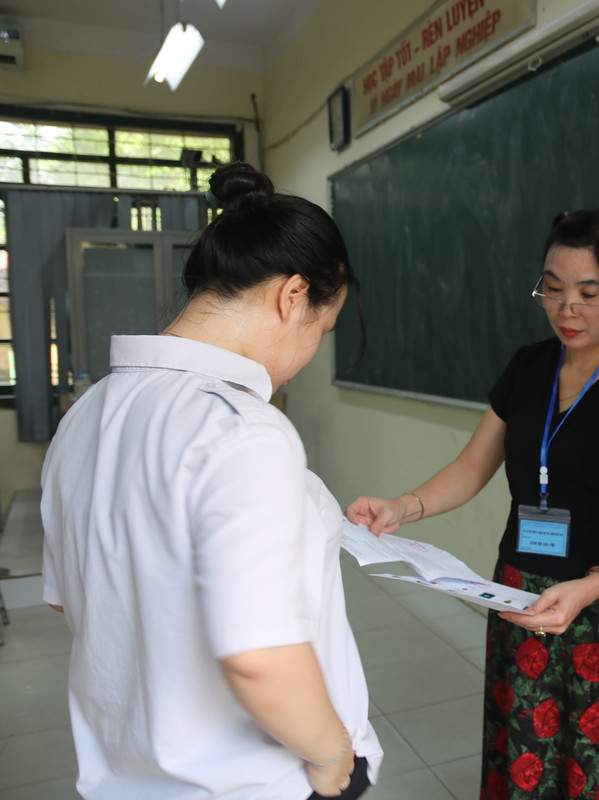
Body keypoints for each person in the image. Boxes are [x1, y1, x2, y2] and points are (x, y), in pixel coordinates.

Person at [41, 162, 382, 800]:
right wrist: (336, 761)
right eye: (322, 331)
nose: (307, 359)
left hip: (125, 775)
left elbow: (68, 596)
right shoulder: (246, 432)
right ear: (293, 297)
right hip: (248, 782)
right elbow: (260, 656)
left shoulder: (86, 414)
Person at [347, 209, 599, 799]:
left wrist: (593, 585)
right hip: (518, 595)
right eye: (552, 290)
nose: (567, 309)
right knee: (527, 760)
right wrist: (401, 507)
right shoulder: (529, 366)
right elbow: (470, 467)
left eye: (589, 293)